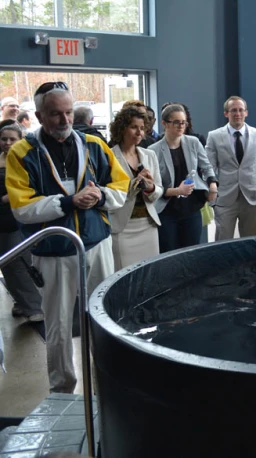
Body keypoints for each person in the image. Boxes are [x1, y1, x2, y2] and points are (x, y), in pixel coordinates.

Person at [6, 81, 129, 393]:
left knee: (103, 315)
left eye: (69, 112)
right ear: (39, 115)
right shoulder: (22, 153)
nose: (64, 120)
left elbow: (121, 187)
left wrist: (99, 196)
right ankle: (62, 389)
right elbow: (23, 208)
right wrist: (68, 201)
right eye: (55, 114)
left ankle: (108, 380)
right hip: (53, 250)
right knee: (59, 324)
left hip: (96, 243)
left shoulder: (93, 145)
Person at [149, 104, 217, 253]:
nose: (181, 126)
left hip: (191, 207)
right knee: (169, 253)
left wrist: (212, 184)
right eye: (176, 122)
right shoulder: (153, 150)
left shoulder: (193, 142)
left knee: (191, 253)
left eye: (183, 122)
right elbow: (153, 186)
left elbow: (206, 166)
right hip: (167, 209)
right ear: (164, 123)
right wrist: (176, 190)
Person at [205, 96, 256, 241]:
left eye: (241, 110)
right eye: (233, 110)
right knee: (222, 241)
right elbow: (208, 168)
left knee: (250, 242)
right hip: (224, 198)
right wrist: (212, 195)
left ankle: (248, 265)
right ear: (226, 113)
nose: (237, 114)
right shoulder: (214, 136)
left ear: (246, 113)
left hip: (252, 198)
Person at [108, 105, 163, 269]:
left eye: (142, 128)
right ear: (122, 128)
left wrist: (150, 188)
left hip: (148, 225)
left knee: (149, 273)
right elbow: (109, 195)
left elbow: (159, 189)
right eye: (134, 127)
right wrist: (133, 185)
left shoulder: (149, 155)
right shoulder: (109, 156)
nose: (139, 133)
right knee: (124, 275)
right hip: (123, 227)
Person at [0, 122, 42, 321]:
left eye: (12, 139)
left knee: (20, 263)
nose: (7, 143)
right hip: (2, 221)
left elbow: (31, 189)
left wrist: (9, 197)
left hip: (19, 220)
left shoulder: (26, 160)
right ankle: (21, 302)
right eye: (4, 139)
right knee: (7, 265)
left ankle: (35, 307)